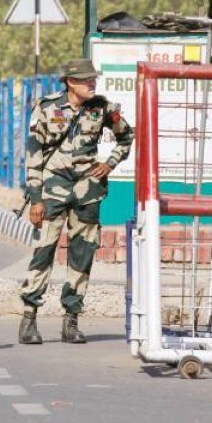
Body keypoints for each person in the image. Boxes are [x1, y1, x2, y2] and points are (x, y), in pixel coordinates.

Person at [18, 58, 133, 345]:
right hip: (51, 191)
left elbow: (127, 137)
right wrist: (35, 198)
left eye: (93, 79)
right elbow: (33, 154)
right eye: (85, 80)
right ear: (70, 82)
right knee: (43, 252)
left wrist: (109, 164)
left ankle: (71, 320)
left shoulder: (103, 108)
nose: (91, 83)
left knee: (82, 256)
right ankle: (29, 318)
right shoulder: (46, 108)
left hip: (87, 192)